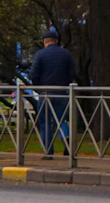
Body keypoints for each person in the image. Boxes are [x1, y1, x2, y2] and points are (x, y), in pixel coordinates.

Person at [28, 27, 77, 158]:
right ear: (56, 41)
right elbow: (72, 73)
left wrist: (38, 88)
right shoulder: (66, 54)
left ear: (45, 41)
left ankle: (48, 152)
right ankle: (66, 137)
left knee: (45, 122)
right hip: (61, 92)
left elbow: (33, 74)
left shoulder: (40, 54)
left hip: (45, 92)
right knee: (60, 120)